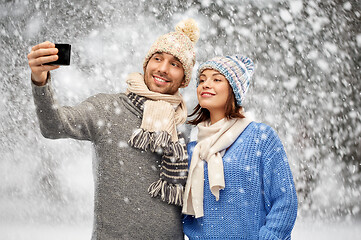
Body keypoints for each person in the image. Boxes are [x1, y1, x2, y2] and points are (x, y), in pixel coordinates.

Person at [27, 19, 199, 240]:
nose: (163, 69)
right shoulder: (107, 109)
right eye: (158, 58)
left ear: (184, 79)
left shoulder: (183, 128)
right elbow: (53, 126)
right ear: (146, 64)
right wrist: (40, 80)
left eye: (175, 64)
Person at [182, 55, 298, 239]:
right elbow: (181, 214)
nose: (205, 84)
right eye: (202, 80)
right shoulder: (193, 150)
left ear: (234, 90)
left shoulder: (261, 137)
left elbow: (285, 201)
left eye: (216, 79)